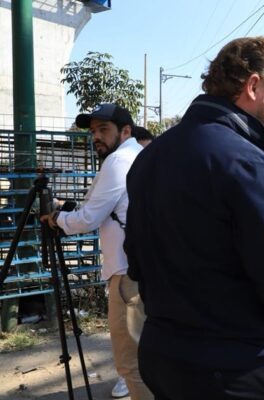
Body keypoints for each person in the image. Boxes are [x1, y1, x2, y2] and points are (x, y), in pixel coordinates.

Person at [124, 36, 264, 399]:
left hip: (161, 356)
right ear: (254, 86)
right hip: (230, 370)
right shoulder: (250, 164)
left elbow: (137, 265)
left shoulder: (148, 159)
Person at [41, 103, 152, 400]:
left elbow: (89, 218)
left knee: (130, 364)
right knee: (147, 356)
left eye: (104, 130)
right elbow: (97, 206)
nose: (96, 137)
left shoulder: (118, 161)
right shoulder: (138, 157)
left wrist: (56, 219)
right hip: (143, 269)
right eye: (93, 132)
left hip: (127, 273)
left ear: (125, 130)